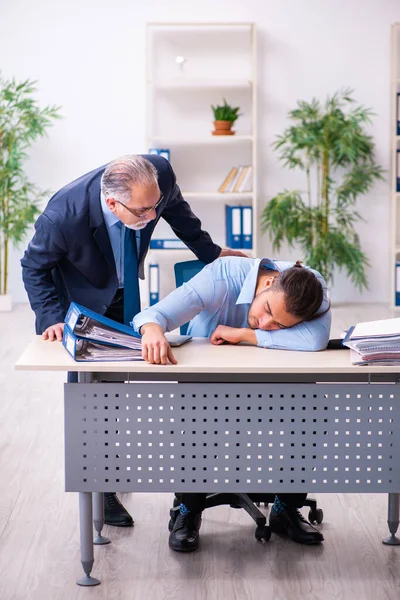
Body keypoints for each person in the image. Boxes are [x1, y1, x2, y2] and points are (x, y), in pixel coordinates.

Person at [21, 154, 246, 528]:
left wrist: (213, 254)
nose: (152, 215)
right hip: (85, 299)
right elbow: (33, 267)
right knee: (93, 396)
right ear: (112, 203)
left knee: (120, 388)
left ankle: (114, 466)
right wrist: (50, 318)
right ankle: (102, 491)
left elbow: (178, 212)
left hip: (127, 291)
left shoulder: (157, 178)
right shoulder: (63, 215)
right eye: (143, 211)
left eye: (154, 205)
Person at [132, 256, 331, 551]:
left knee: (312, 406)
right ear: (268, 282)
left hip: (269, 390)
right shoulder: (220, 279)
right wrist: (152, 330)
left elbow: (315, 339)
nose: (265, 324)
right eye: (266, 310)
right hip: (207, 389)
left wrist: (243, 334)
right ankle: (189, 510)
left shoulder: (311, 287)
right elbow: (153, 315)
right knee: (195, 410)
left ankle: (285, 510)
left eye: (278, 325)